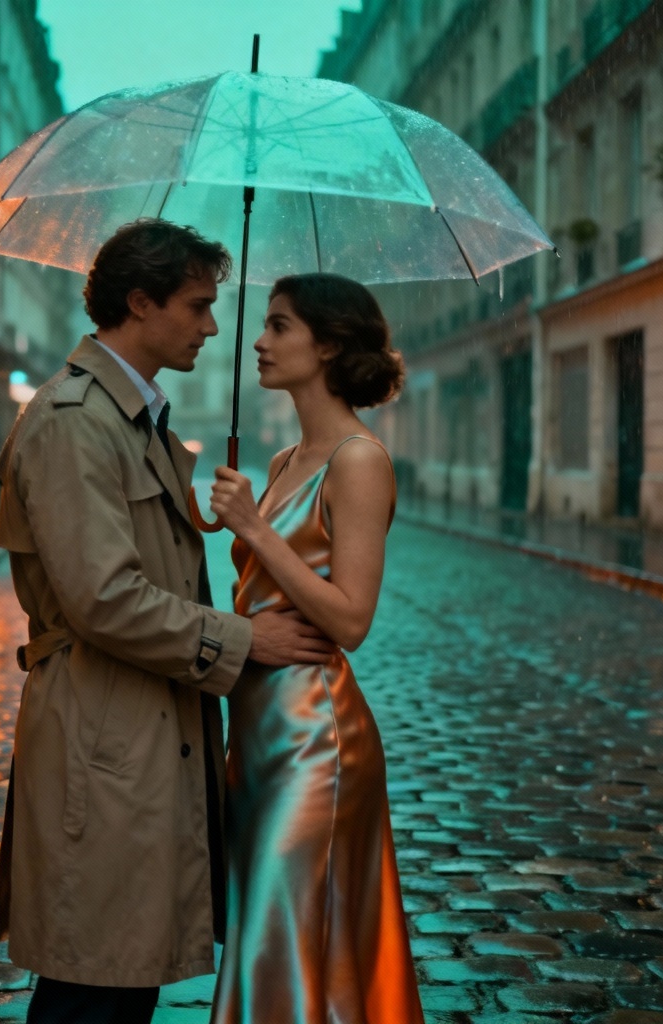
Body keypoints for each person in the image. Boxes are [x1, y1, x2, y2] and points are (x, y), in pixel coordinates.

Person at [0, 219, 337, 1024]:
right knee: (93, 986)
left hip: (137, 729)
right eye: (197, 305)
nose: (213, 327)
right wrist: (247, 641)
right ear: (141, 303)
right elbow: (105, 598)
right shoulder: (77, 419)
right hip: (103, 737)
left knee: (117, 975)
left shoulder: (131, 418)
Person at [208, 273, 425, 1023]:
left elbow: (352, 619)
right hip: (255, 732)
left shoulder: (359, 460)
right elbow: (261, 592)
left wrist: (254, 528)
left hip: (315, 740)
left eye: (279, 326)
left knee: (283, 931)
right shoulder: (281, 463)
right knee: (276, 933)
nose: (259, 342)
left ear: (328, 344)